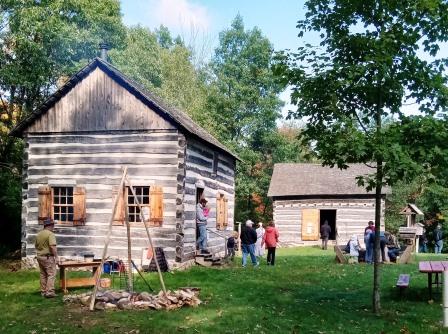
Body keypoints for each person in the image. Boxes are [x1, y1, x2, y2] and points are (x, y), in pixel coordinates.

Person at [35, 218, 59, 298]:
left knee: (43, 274)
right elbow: (52, 246)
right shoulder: (50, 234)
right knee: (51, 274)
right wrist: (56, 257)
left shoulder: (39, 234)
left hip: (39, 257)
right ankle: (49, 292)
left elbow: (36, 246)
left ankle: (43, 292)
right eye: (53, 225)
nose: (53, 227)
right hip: (48, 257)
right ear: (50, 225)